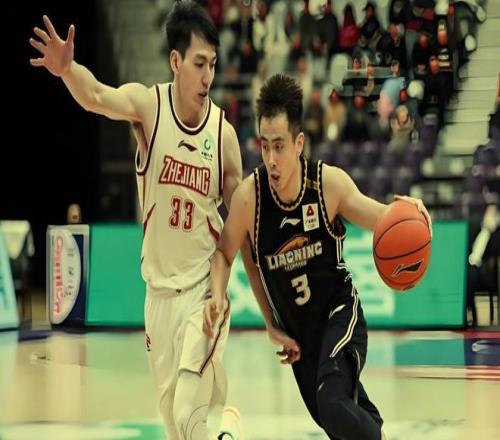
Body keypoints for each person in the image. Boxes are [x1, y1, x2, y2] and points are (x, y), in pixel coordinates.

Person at [30, 3, 243, 439]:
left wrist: (226, 289)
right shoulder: (149, 107)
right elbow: (96, 96)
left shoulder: (223, 134)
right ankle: (229, 425)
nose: (208, 76)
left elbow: (239, 220)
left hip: (201, 293)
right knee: (176, 426)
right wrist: (68, 70)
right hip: (157, 298)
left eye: (213, 65)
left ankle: (218, 416)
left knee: (188, 415)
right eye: (199, 64)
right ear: (176, 61)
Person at [204, 74, 432, 440]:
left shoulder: (327, 185)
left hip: (340, 314)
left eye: (279, 146)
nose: (271, 159)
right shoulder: (250, 198)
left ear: (299, 143)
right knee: (337, 419)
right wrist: (228, 300)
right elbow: (226, 255)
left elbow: (382, 218)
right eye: (264, 146)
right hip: (302, 340)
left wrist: (413, 213)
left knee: (332, 403)